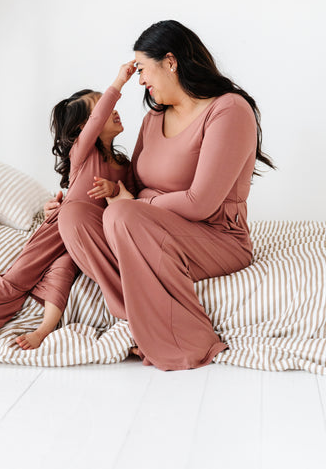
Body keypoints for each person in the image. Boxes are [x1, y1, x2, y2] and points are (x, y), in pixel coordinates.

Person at [56, 19, 275, 371]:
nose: (140, 79)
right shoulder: (153, 119)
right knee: (76, 215)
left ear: (170, 62)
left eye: (142, 68)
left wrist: (137, 205)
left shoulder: (229, 110)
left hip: (214, 237)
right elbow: (132, 181)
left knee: (121, 215)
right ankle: (137, 314)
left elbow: (200, 202)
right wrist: (75, 194)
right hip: (145, 228)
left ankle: (175, 336)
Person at [0, 60, 136, 349]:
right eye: (100, 108)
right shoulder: (82, 152)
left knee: (64, 268)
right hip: (62, 227)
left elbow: (129, 200)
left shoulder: (125, 164)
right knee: (24, 271)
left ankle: (45, 329)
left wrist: (114, 189)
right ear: (85, 127)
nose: (111, 110)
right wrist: (118, 83)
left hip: (91, 233)